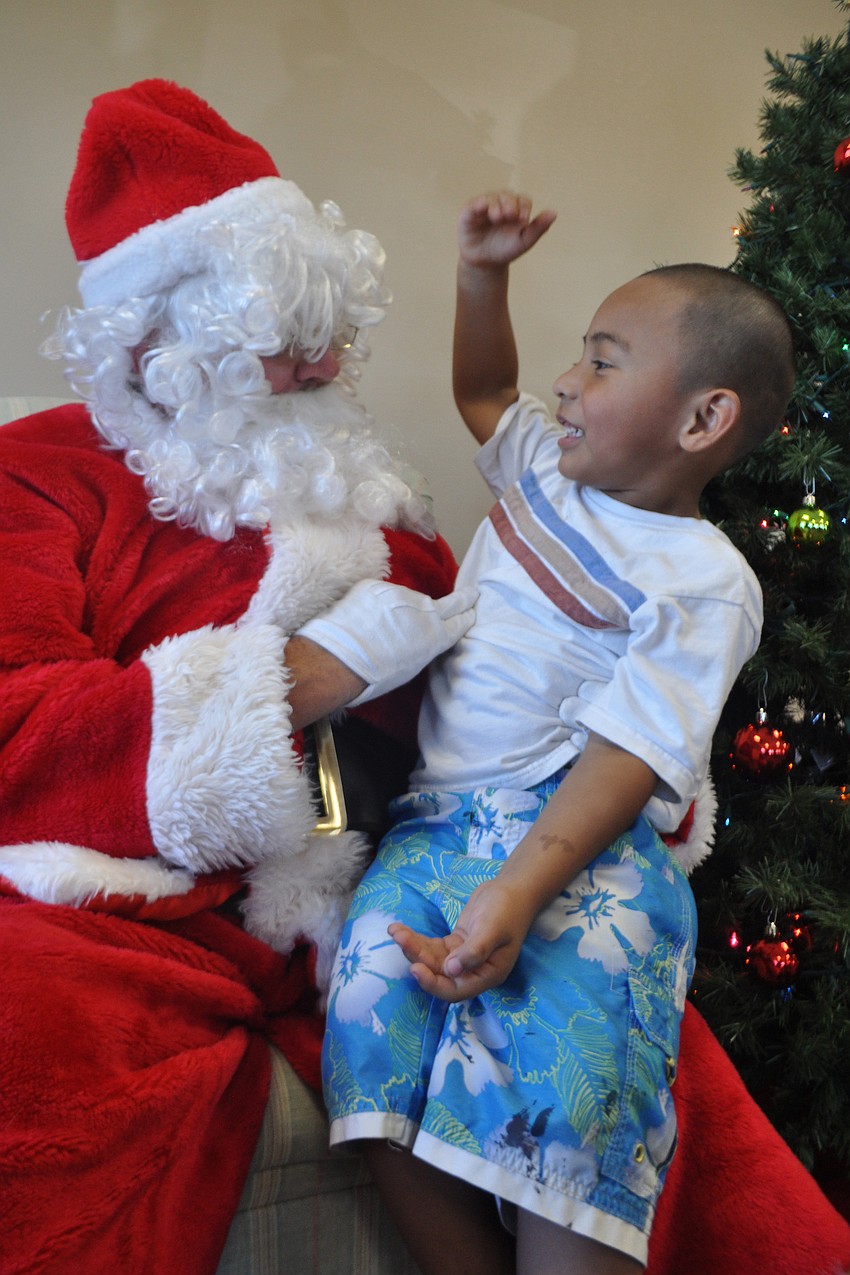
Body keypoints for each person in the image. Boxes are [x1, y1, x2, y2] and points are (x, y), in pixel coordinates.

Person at [0, 79, 476, 1275]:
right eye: (275, 335)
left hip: (370, 887)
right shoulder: (37, 473)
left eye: (328, 328)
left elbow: (489, 686)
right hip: (122, 893)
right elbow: (15, 723)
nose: (318, 363)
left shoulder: (377, 503)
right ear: (156, 347)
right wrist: (290, 684)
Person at [311, 191, 797, 1274]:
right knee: (364, 1030)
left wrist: (523, 891)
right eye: (577, 356)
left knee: (564, 1114)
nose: (567, 383)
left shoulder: (704, 583)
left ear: (701, 419)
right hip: (432, 832)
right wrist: (483, 274)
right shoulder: (542, 470)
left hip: (583, 844)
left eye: (604, 361)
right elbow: (483, 387)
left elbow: (628, 755)